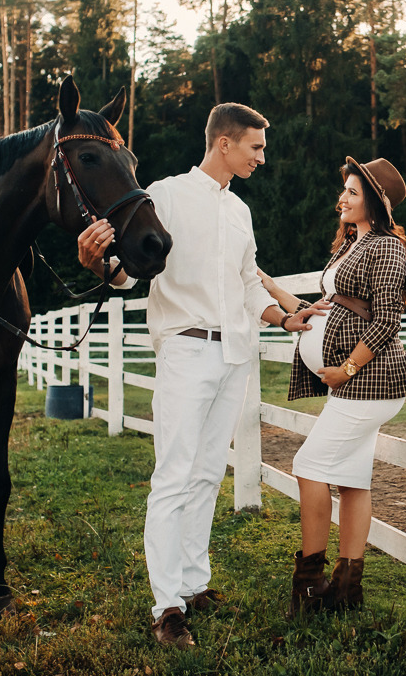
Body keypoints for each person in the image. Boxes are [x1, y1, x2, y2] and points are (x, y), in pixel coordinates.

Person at [77, 103, 324, 649]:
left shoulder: (240, 212)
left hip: (236, 352)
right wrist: (97, 265)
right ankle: (165, 606)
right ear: (224, 144)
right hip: (186, 350)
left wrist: (284, 316)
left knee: (210, 471)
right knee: (174, 476)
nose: (263, 157)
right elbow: (125, 271)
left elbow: (247, 284)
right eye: (255, 147)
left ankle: (193, 584)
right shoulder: (161, 196)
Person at [259, 156, 406, 616]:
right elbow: (325, 307)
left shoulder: (386, 246)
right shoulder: (350, 245)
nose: (341, 198)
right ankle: (347, 590)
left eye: (352, 192)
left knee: (308, 465)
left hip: (371, 382)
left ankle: (309, 586)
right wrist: (265, 283)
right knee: (351, 480)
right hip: (353, 385)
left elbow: (387, 319)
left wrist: (345, 368)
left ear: (375, 202)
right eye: (343, 190)